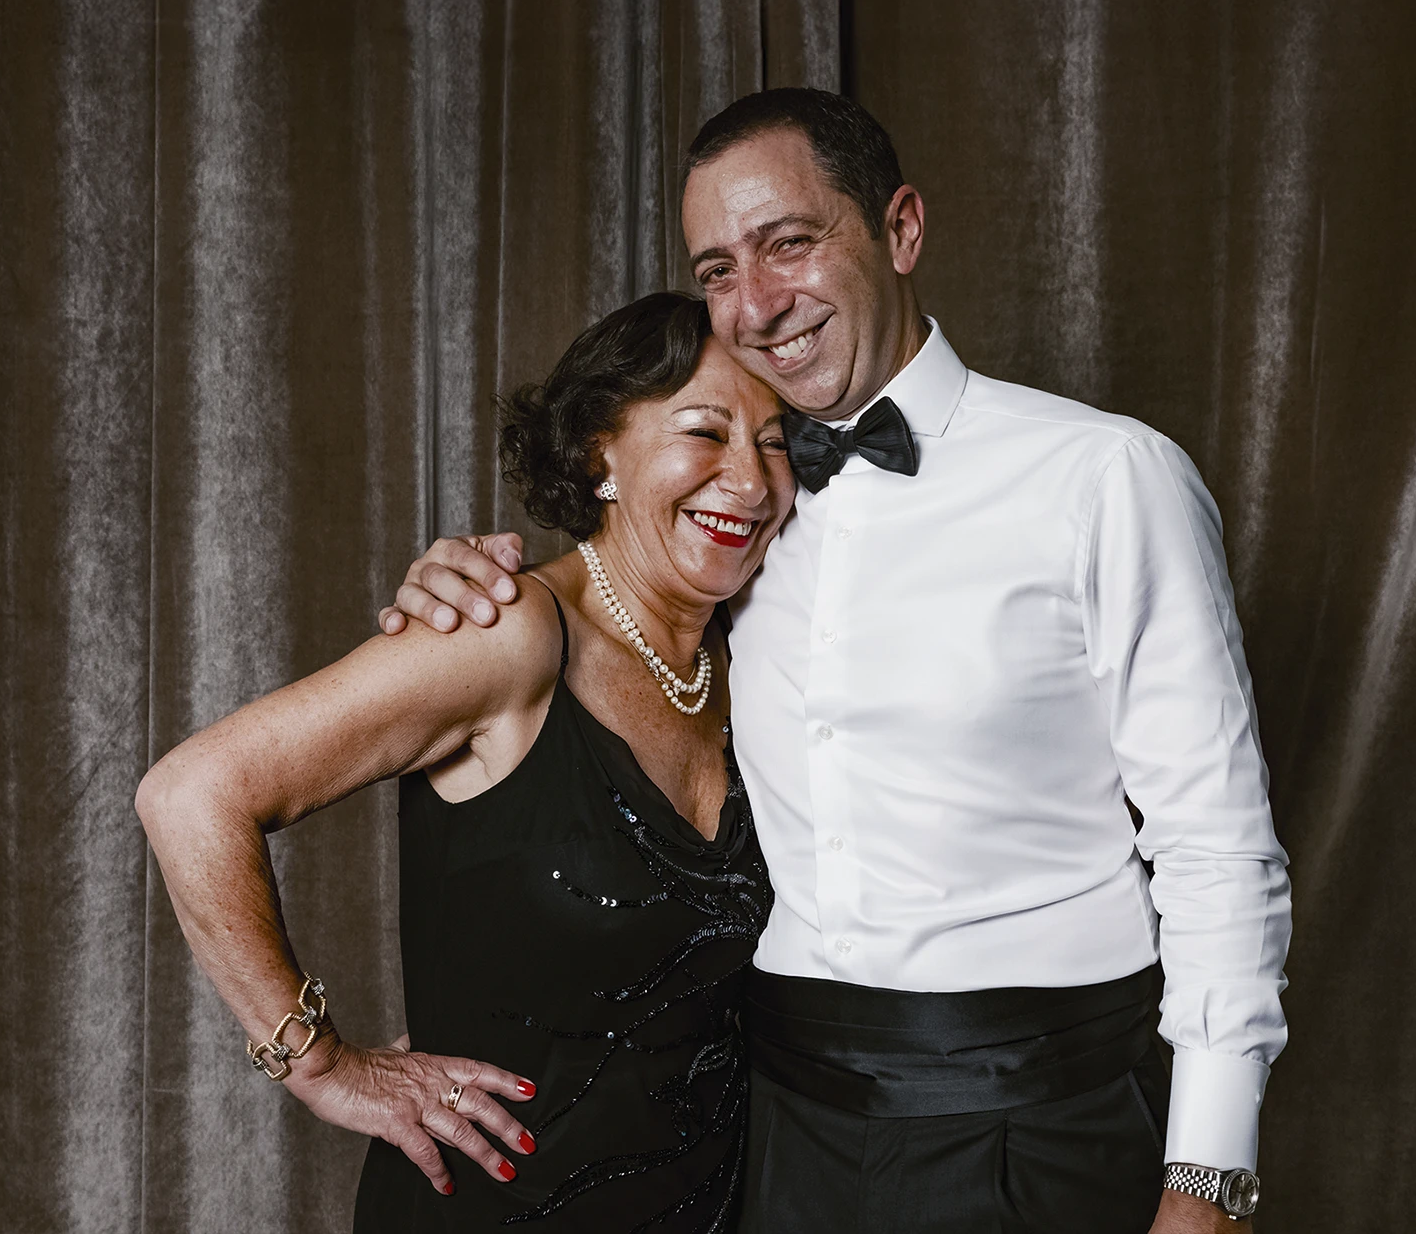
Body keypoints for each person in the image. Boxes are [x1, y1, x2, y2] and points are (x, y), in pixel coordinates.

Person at [384, 88, 1292, 1234]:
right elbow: (606, 620)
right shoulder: (733, 511)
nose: (757, 304)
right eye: (717, 270)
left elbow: (1219, 849)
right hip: (778, 1128)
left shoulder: (1107, 479)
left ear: (900, 229)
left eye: (790, 243)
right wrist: (463, 583)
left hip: (1042, 1118)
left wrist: (1209, 1179)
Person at [135, 291, 795, 1232]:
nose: (748, 478)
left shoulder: (760, 653)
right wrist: (321, 1064)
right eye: (705, 430)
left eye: (775, 442)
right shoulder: (506, 634)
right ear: (599, 450)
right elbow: (190, 794)